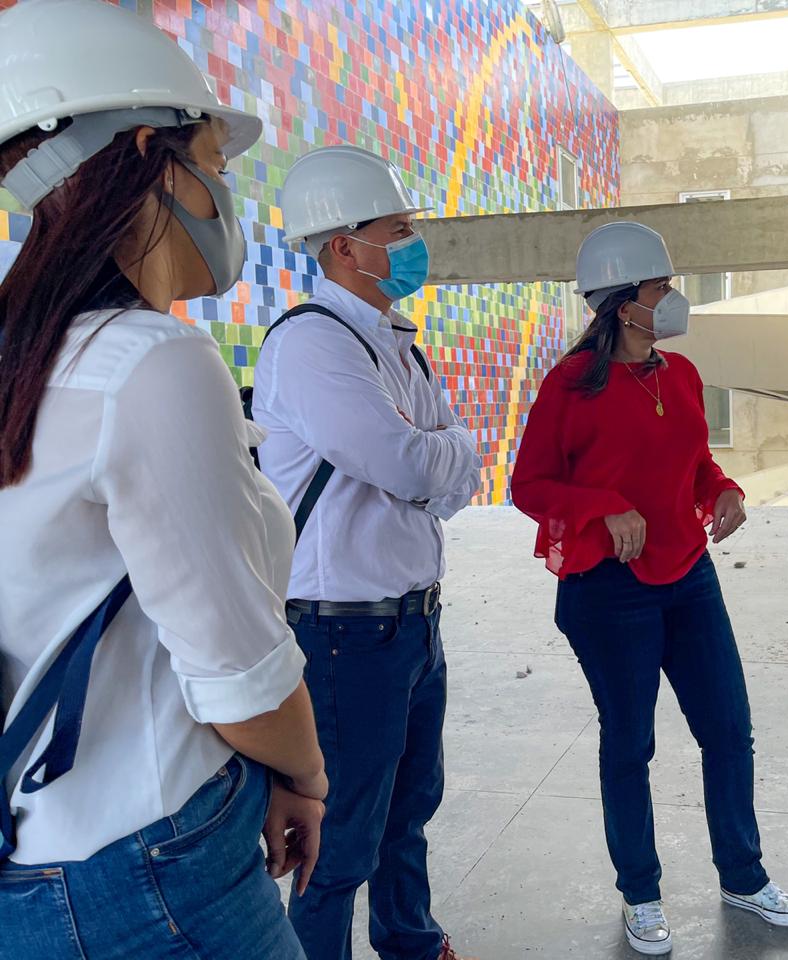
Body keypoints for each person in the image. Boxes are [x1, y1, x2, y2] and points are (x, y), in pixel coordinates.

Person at [0, 1, 326, 957]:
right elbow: (242, 680)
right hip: (151, 867)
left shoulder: (27, 358)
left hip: (35, 866)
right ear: (152, 151)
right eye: (219, 165)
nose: (228, 197)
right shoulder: (149, 364)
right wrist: (303, 775)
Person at [510, 221, 788, 957]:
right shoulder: (568, 386)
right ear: (622, 304)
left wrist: (726, 491)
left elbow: (697, 464)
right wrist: (600, 508)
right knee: (630, 743)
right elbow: (529, 485)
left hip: (689, 577)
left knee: (727, 729)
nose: (672, 300)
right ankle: (639, 892)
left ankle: (743, 874)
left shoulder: (677, 376)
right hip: (609, 592)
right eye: (659, 289)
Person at [256, 144, 482, 960]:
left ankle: (411, 942)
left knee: (409, 808)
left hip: (414, 626)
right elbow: (406, 461)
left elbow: (456, 470)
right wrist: (432, 452)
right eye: (400, 229)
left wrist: (433, 453)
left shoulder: (398, 343)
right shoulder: (312, 344)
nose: (414, 242)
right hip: (344, 633)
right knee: (340, 837)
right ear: (345, 247)